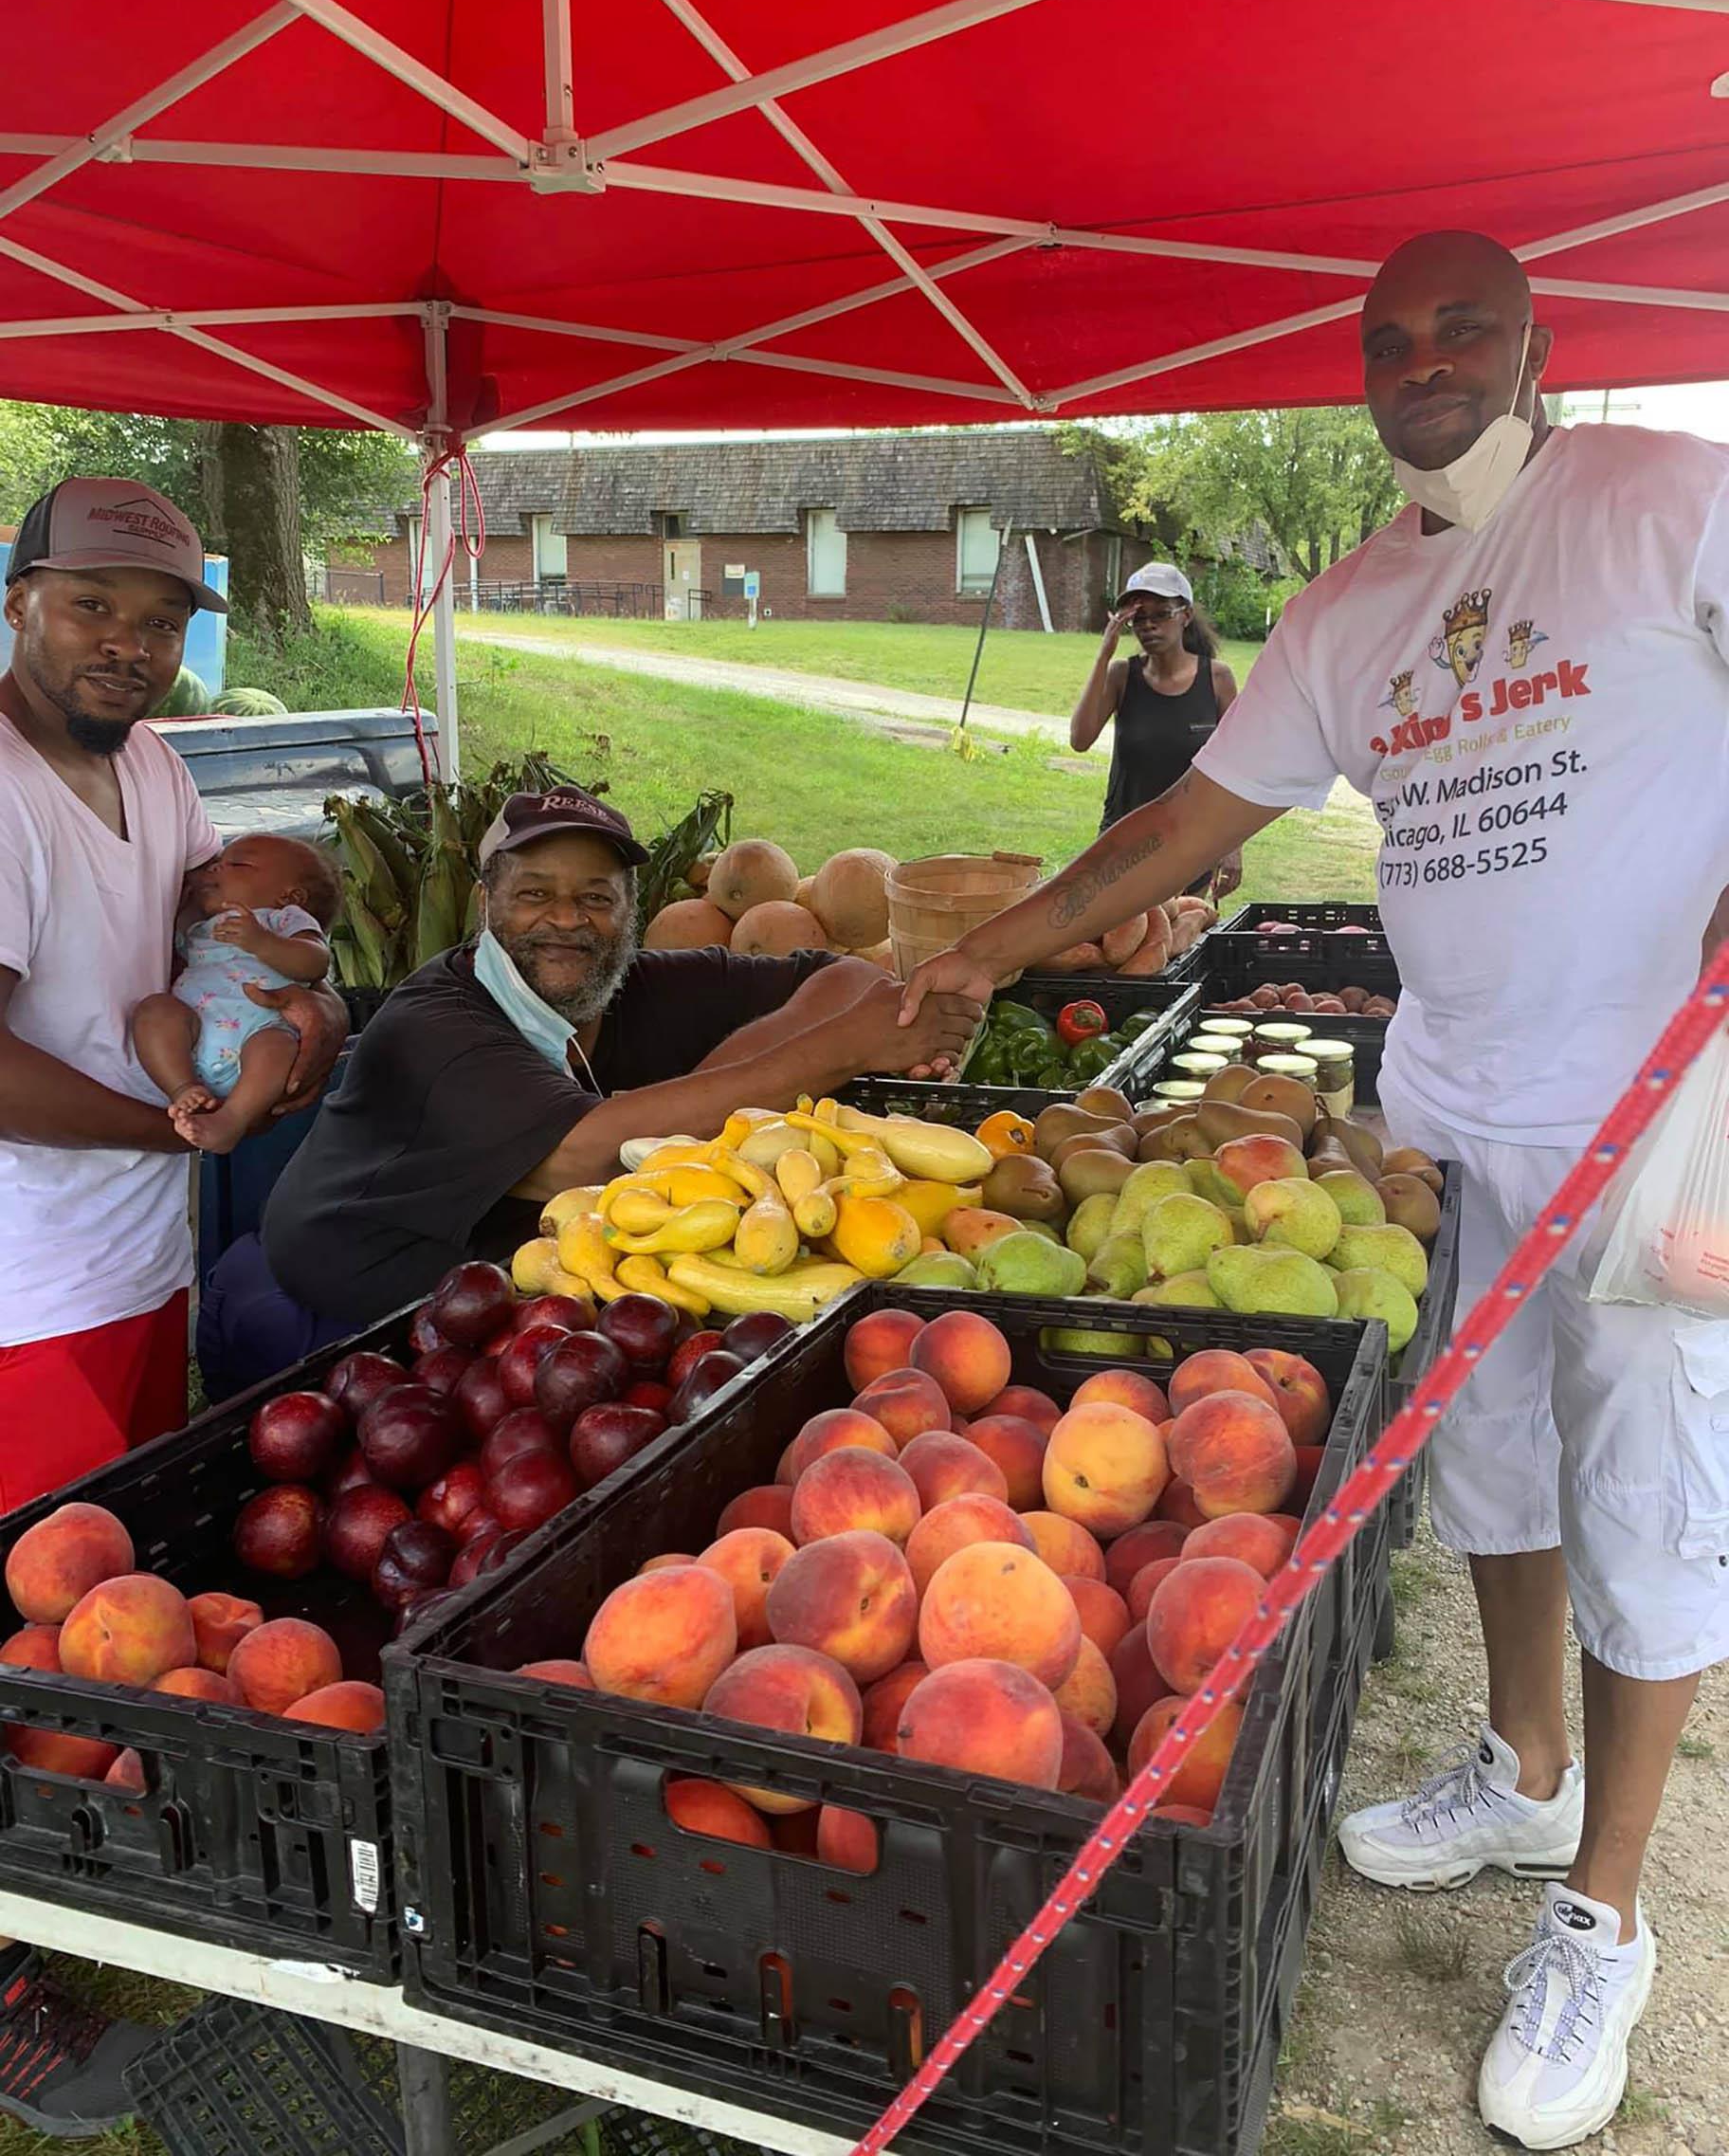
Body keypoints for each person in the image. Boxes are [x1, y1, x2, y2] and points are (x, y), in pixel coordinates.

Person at [901, 230, 1729, 2152]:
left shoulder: (1659, 496)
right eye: (1387, 336)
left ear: (1542, 347)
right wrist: (999, 949)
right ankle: (1523, 1766)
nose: (1420, 355)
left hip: (1660, 1105)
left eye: (1460, 325)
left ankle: (1603, 1911)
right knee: (1500, 1465)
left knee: (1650, 1496)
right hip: (1451, 1092)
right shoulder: (1352, 606)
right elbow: (1189, 821)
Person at [0, 476, 345, 2135]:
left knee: (110, 1598)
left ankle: (93, 1858)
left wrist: (311, 1013)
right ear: (20, 598)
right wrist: (167, 1120)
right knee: (20, 1618)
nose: (126, 645)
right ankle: (10, 1994)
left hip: (132, 1262)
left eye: (155, 618)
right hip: (19, 1286)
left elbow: (253, 932)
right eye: (91, 608)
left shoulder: (151, 765)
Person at [199, 784, 981, 1388]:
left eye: (597, 898)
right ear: (486, 905)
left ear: (631, 909)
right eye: (534, 893)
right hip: (351, 1314)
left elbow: (842, 975)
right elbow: (583, 1157)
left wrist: (726, 1093)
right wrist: (837, 1052)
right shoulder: (437, 1020)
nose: (566, 919)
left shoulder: (635, 981)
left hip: (530, 1287)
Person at [133, 832, 341, 1153]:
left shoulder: (282, 920)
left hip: (255, 1033)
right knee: (155, 1011)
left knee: (277, 1046)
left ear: (290, 896)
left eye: (238, 864)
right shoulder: (204, 925)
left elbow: (315, 962)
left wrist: (264, 943)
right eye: (217, 863)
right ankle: (183, 1089)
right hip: (193, 1031)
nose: (215, 869)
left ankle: (231, 1119)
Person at [1069, 559, 1241, 896]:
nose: (1148, 625)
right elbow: (1080, 739)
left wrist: (1232, 844)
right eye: (1138, 617)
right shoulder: (1122, 676)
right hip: (1123, 845)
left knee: (1179, 940)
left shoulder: (1217, 679)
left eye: (1161, 614)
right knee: (1123, 944)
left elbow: (1236, 768)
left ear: (1185, 616)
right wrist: (1104, 655)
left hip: (1191, 845)